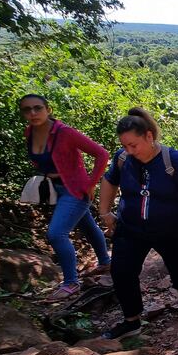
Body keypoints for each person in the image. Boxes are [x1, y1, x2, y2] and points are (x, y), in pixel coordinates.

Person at [99, 108, 178, 339]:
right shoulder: (123, 159)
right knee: (122, 271)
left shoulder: (175, 161)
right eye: (125, 145)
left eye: (133, 145)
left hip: (168, 227)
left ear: (148, 136)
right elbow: (109, 182)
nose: (129, 150)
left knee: (177, 264)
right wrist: (105, 212)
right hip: (130, 227)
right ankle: (131, 320)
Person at [20, 94, 111, 299]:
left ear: (48, 109)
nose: (33, 113)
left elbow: (101, 154)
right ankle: (105, 261)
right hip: (55, 189)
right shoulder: (29, 133)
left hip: (75, 190)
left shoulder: (64, 133)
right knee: (87, 224)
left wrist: (91, 183)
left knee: (56, 234)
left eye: (37, 108)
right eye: (27, 110)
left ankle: (71, 282)